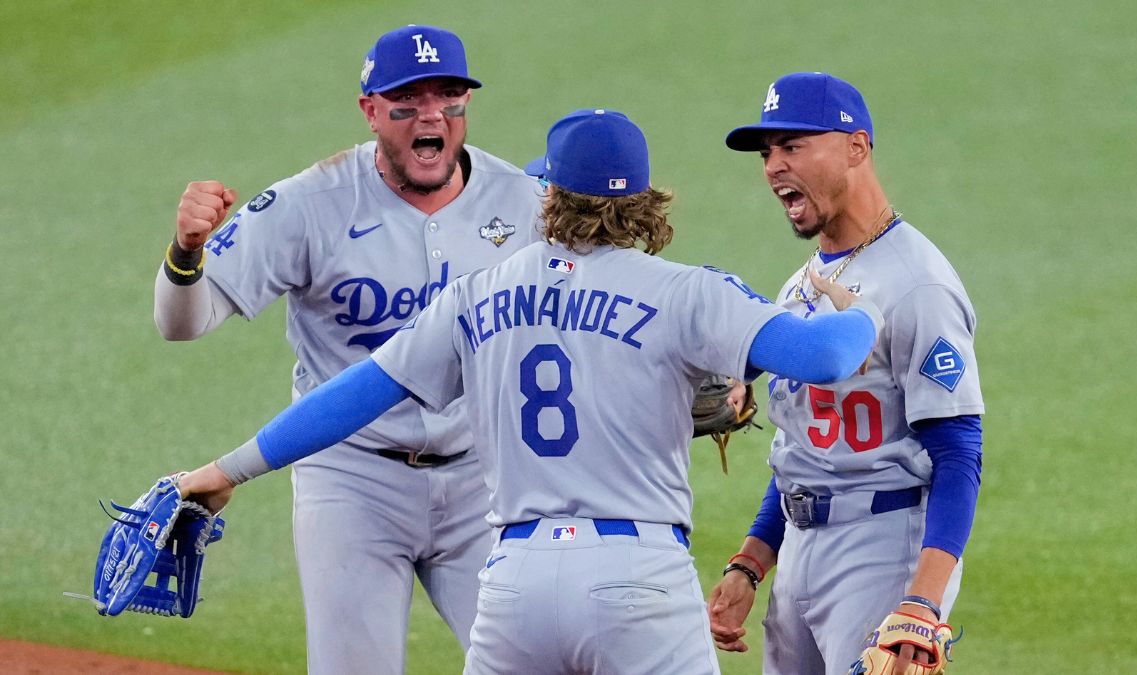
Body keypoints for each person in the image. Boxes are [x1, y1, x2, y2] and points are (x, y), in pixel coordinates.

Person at [173, 108, 885, 674]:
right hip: (636, 578)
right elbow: (823, 356)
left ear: (546, 196)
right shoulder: (687, 291)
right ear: (643, 198)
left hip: (514, 585)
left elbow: (356, 393)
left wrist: (225, 469)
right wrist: (866, 306)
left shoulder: (476, 294)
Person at [153, 25, 544, 674]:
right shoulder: (310, 204)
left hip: (487, 480)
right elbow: (182, 323)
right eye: (406, 102)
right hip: (352, 481)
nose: (431, 116)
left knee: (538, 663)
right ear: (369, 111)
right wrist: (186, 252)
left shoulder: (522, 202)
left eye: (449, 98)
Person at [705, 72, 985, 675]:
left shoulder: (919, 284)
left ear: (856, 147)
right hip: (800, 554)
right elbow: (804, 447)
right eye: (767, 152)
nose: (774, 165)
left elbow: (959, 452)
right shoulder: (799, 286)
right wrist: (752, 559)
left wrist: (924, 600)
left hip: (883, 551)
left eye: (793, 145)